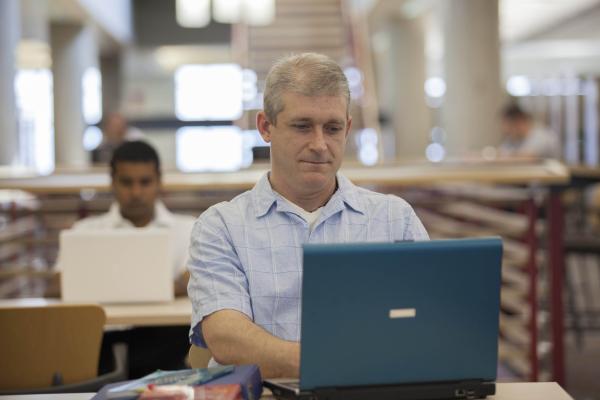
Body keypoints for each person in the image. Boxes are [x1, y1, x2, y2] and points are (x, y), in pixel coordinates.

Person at [187, 53, 429, 378]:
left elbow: (429, 320)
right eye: (302, 126)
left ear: (348, 130)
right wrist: (333, 364)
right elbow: (227, 338)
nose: (320, 144)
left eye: (332, 128)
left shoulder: (394, 219)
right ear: (265, 127)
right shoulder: (221, 227)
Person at [72, 140, 195, 377]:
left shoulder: (189, 229)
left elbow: (193, 280)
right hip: (99, 343)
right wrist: (170, 287)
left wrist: (95, 287)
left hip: (165, 344)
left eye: (145, 182)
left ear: (159, 181)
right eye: (127, 182)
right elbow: (58, 284)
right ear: (112, 182)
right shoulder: (84, 231)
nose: (136, 192)